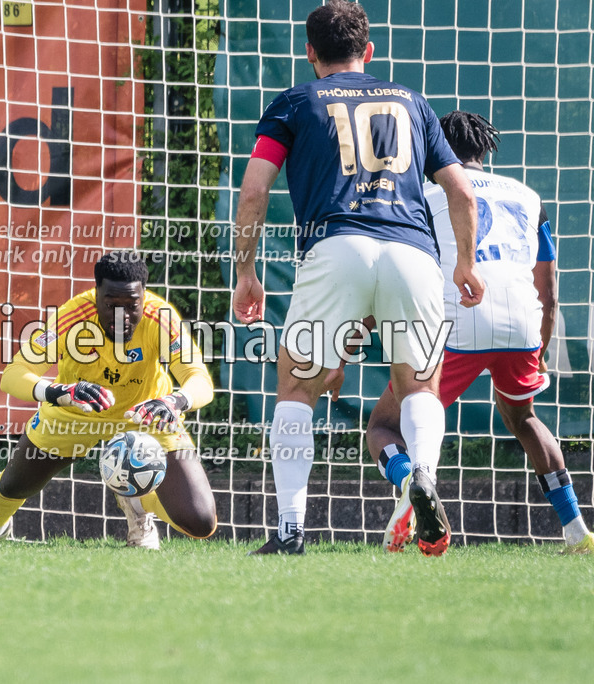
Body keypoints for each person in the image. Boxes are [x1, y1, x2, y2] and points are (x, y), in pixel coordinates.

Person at [231, 0, 485, 556]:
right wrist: (464, 261)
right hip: (413, 251)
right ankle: (423, 477)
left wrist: (246, 271)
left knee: (297, 389)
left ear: (309, 53)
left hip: (335, 247)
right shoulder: (413, 103)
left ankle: (291, 531)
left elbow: (253, 192)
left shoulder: (296, 101)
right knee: (419, 386)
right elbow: (461, 190)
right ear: (368, 52)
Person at [362, 111, 594, 554]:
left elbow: (398, 274)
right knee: (523, 419)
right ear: (484, 151)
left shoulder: (426, 194)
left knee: (384, 426)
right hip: (523, 321)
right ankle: (576, 531)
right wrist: (540, 346)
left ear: (438, 152)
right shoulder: (528, 196)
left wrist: (358, 329)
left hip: (459, 319)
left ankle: (412, 479)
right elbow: (547, 289)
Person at [0, 250, 217, 548]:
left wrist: (175, 402)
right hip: (74, 412)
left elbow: (199, 379)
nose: (122, 317)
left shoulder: (161, 317)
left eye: (132, 305)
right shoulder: (72, 317)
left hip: (146, 415)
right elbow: (14, 374)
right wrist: (59, 393)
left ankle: (139, 503)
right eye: (111, 305)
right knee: (15, 484)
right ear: (96, 295)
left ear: (144, 297)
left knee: (201, 522)